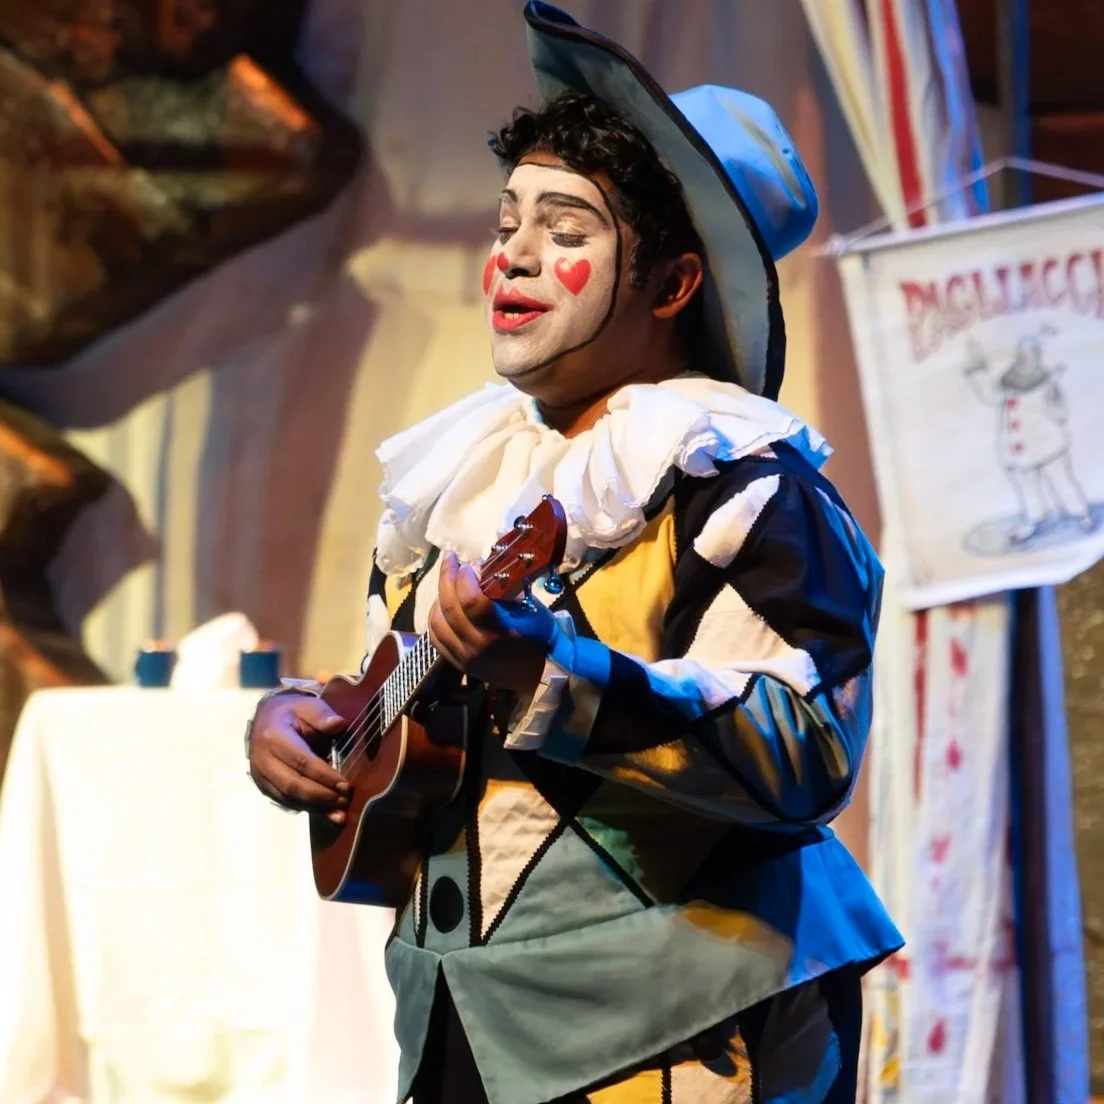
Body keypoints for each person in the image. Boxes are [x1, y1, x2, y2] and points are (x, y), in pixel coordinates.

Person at [246, 4, 903, 1101]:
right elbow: (410, 712)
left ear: (673, 282)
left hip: (682, 1017)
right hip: (466, 1016)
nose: (513, 254)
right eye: (509, 222)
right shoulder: (454, 474)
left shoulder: (741, 476)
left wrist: (557, 673)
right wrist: (305, 728)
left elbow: (811, 746)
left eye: (566, 229)